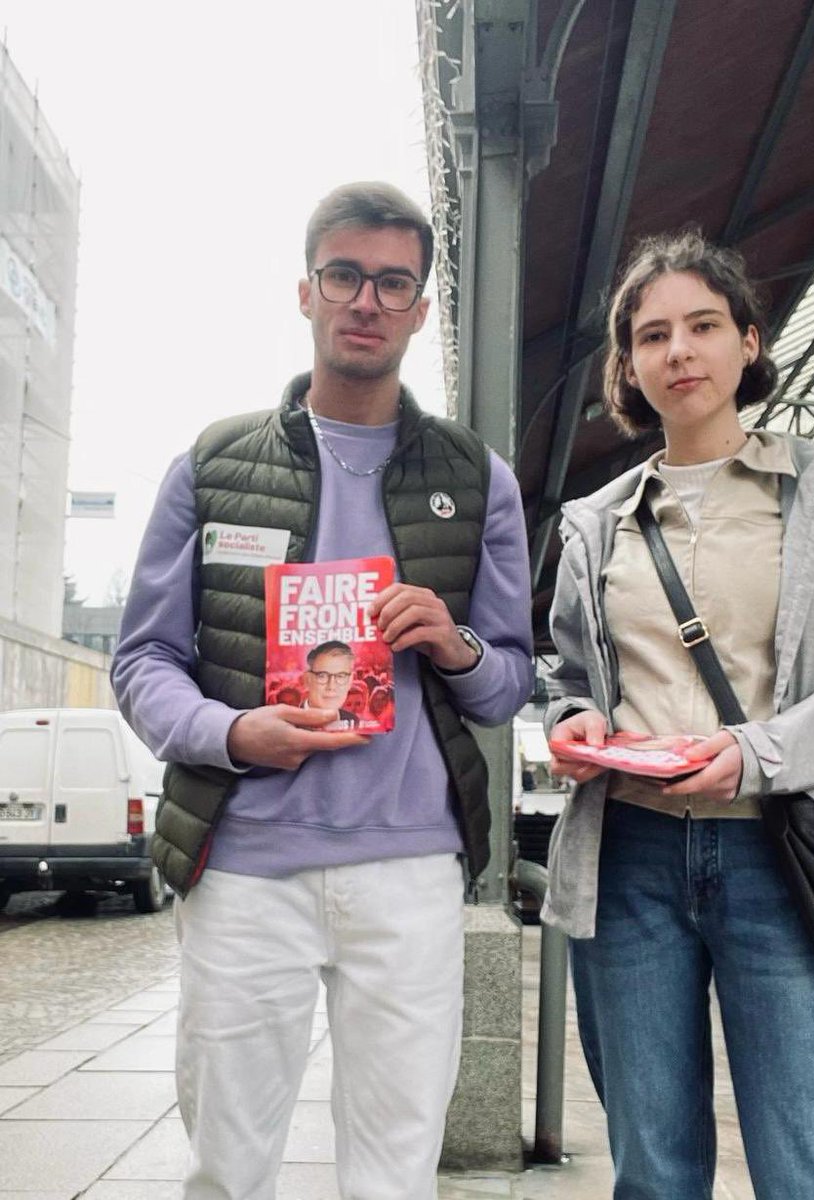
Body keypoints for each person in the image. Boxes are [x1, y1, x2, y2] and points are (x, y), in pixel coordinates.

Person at [112, 180, 533, 1200]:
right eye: (345, 275)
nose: (367, 301)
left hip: (410, 873)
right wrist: (229, 731)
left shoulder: (479, 479)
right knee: (227, 1165)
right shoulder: (210, 466)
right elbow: (140, 661)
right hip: (246, 866)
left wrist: (457, 642)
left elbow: (508, 681)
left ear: (423, 308)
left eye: (394, 282)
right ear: (305, 291)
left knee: (395, 1171)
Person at [544, 228, 814, 1199]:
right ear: (629, 364)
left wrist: (755, 753)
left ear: (748, 341)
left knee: (808, 1162)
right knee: (653, 1167)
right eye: (651, 334)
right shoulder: (595, 523)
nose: (678, 351)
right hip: (630, 857)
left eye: (703, 324)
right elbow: (572, 668)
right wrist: (574, 716)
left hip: (781, 856)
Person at [303, 640, 359, 728]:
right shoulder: (287, 723)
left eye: (340, 676)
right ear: (308, 680)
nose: (331, 686)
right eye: (322, 676)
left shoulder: (354, 721)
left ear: (350, 681)